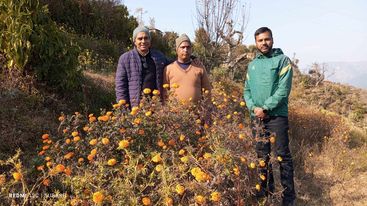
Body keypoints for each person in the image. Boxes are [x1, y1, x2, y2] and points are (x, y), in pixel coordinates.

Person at [243, 27, 296, 206]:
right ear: (256, 43)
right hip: (256, 117)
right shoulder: (252, 65)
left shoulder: (282, 61)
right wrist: (253, 108)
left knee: (282, 156)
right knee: (261, 156)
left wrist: (265, 108)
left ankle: (288, 199)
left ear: (272, 40)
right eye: (260, 40)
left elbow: (283, 90)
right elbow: (247, 90)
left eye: (267, 39)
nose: (264, 43)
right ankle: (265, 193)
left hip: (276, 117)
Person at [115, 25, 169, 108]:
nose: (143, 41)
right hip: (135, 108)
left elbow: (174, 64)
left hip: (155, 106)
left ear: (150, 41)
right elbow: (120, 87)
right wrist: (124, 109)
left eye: (146, 38)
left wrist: (191, 59)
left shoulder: (159, 57)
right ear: (134, 41)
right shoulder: (125, 59)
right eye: (140, 39)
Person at [163, 34, 211, 104]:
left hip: (197, 113)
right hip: (174, 113)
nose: (186, 50)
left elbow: (207, 89)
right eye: (182, 47)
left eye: (188, 47)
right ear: (177, 49)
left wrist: (207, 108)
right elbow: (165, 92)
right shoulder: (168, 69)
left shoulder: (199, 67)